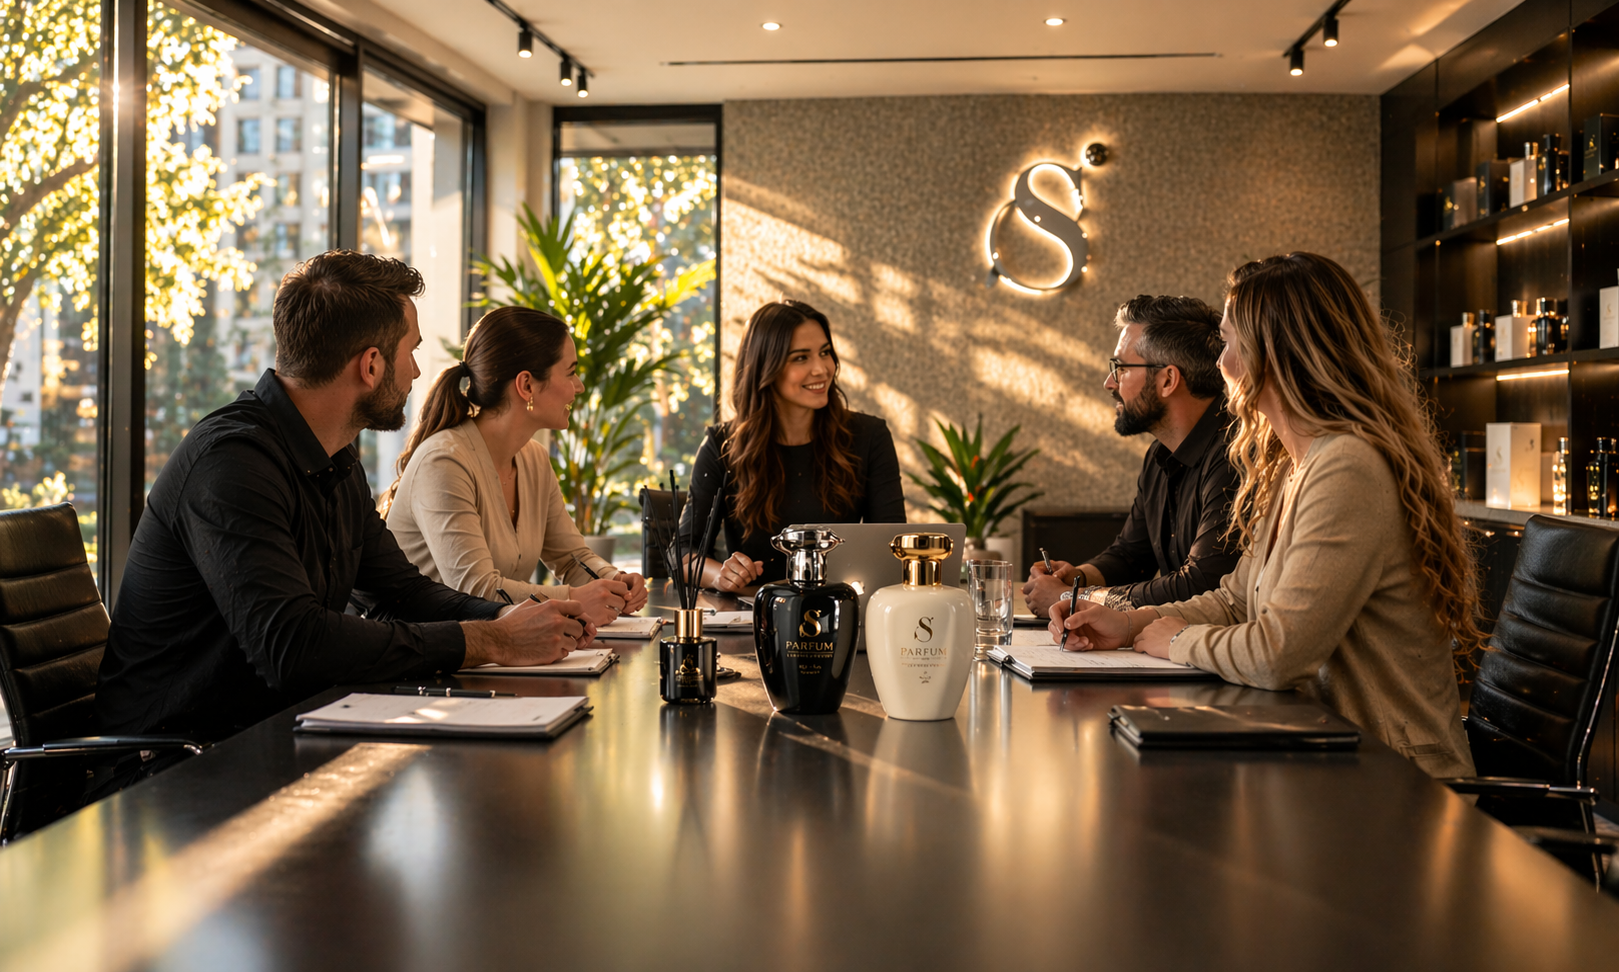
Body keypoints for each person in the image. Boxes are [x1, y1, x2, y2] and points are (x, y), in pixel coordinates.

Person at [97, 251, 593, 742]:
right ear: (371, 366)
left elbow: (402, 593)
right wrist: (491, 640)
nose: (418, 373)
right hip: (174, 770)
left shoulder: (333, 457)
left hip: (274, 736)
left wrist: (509, 619)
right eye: (411, 352)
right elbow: (293, 646)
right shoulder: (231, 465)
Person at [1053, 252, 1480, 778]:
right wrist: (1130, 622)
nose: (1220, 363)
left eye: (1228, 343)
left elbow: (1279, 653)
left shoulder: (1347, 468)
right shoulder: (1294, 464)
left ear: (1273, 355)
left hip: (1396, 782)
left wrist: (1177, 638)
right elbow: (1236, 599)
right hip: (1325, 755)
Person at [381, 306, 648, 625]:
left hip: (488, 650)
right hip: (424, 657)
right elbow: (475, 591)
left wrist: (615, 582)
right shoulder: (444, 461)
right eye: (570, 372)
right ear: (527, 386)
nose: (579, 387)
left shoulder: (533, 458)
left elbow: (571, 558)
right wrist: (575, 599)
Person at [1023, 296, 1239, 617]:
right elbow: (1130, 556)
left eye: (1120, 368)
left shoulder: (1234, 453)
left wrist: (1075, 597)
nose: (1109, 382)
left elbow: (1202, 582)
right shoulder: (1159, 454)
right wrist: (1077, 577)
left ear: (1167, 380)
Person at [682, 299, 905, 591]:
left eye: (825, 353)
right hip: (753, 619)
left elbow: (893, 548)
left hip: (841, 613)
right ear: (766, 367)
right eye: (801, 358)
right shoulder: (722, 445)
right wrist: (719, 575)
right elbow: (683, 553)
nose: (821, 369)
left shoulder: (869, 435)